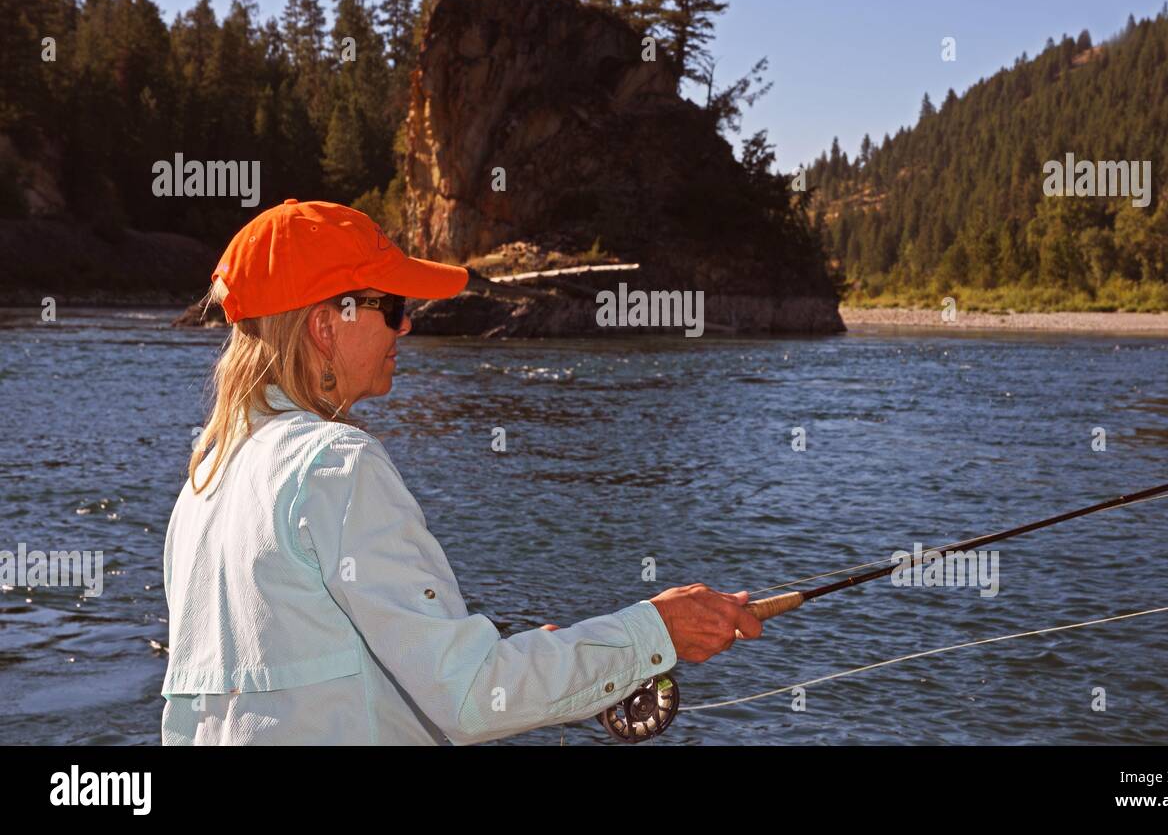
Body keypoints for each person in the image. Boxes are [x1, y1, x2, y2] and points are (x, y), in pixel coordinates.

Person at [160, 198, 760, 745]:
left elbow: (318, 677)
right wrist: (654, 633)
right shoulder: (338, 464)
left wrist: (529, 660)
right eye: (391, 307)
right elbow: (469, 697)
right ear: (324, 325)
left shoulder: (205, 481)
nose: (406, 326)